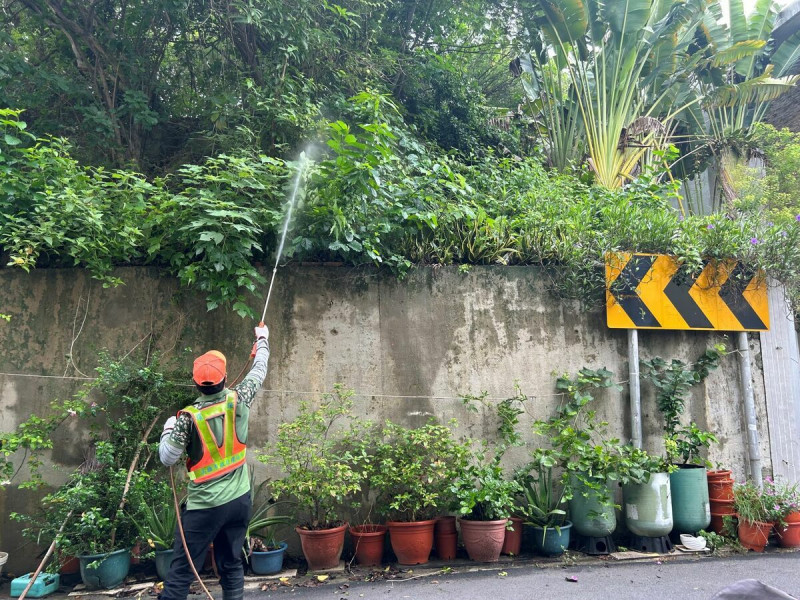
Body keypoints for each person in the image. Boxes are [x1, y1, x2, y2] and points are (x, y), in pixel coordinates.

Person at [158, 324, 270, 600]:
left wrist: (168, 428)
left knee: (182, 571)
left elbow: (167, 457)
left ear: (196, 383)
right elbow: (259, 370)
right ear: (225, 378)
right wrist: (262, 340)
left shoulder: (188, 418)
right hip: (239, 501)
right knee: (231, 564)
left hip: (205, 507)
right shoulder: (239, 397)